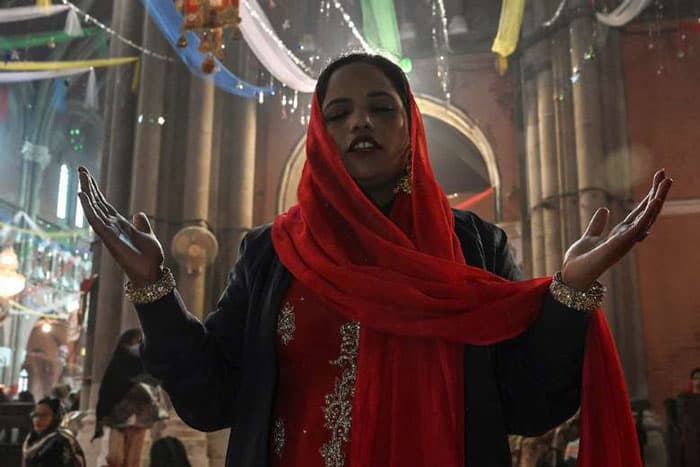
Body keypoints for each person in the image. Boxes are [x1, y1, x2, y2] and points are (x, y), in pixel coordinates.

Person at [77, 53, 673, 467]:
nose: (359, 121)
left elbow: (527, 403)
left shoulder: (474, 248)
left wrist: (567, 295)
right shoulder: (272, 253)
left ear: (410, 126)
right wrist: (154, 290)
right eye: (337, 113)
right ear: (319, 134)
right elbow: (211, 400)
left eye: (380, 108)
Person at [94, 328, 168, 467]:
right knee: (115, 457)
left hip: (141, 416)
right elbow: (107, 390)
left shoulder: (147, 364)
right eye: (136, 341)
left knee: (133, 462)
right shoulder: (118, 362)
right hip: (119, 415)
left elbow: (154, 386)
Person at [22, 397, 85, 466]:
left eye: (44, 415)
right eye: (36, 415)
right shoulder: (31, 438)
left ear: (55, 417)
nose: (38, 419)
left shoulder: (61, 441)